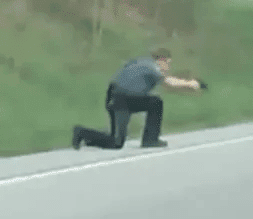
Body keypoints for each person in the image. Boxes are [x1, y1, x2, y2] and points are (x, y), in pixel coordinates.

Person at [71, 48, 203, 150]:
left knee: (117, 141)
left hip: (118, 97)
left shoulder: (141, 62)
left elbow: (165, 84)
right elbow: (168, 83)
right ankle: (150, 140)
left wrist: (186, 85)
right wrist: (190, 84)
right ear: (161, 60)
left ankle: (87, 137)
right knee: (155, 103)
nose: (168, 67)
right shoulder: (152, 66)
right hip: (121, 99)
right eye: (168, 63)